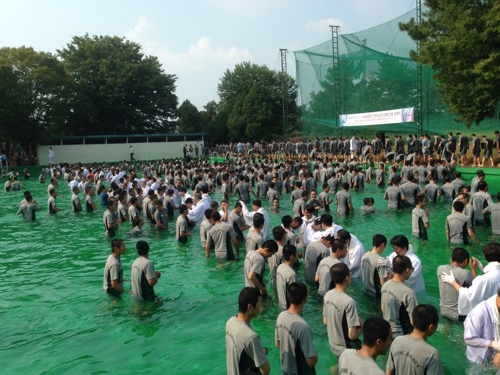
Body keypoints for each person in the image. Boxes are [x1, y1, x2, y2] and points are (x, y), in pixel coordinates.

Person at [440, 243, 500, 317]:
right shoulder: (488, 277)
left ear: (484, 256)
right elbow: (484, 281)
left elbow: (467, 294)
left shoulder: (440, 268)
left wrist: (452, 281)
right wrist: (477, 269)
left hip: (489, 314)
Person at [386, 304, 444, 375]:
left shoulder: (396, 341)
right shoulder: (432, 354)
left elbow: (389, 372)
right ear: (431, 327)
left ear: (412, 321)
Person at [275, 282, 318, 374]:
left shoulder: (280, 316)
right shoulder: (303, 327)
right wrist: (315, 356)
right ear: (305, 299)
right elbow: (311, 362)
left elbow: (278, 344)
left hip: (285, 370)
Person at [225, 287, 270, 375]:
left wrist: (260, 352)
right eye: (259, 304)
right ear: (250, 307)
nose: (261, 307)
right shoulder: (251, 337)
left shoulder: (229, 323)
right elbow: (266, 371)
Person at [323, 263, 363, 358]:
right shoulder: (349, 302)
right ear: (346, 278)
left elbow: (325, 321)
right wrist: (361, 327)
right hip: (346, 348)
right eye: (350, 274)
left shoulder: (327, 295)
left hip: (333, 344)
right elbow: (352, 335)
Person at [381, 255, 418, 337]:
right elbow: (414, 322)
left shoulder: (385, 285)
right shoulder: (409, 293)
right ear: (407, 270)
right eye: (412, 269)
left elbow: (383, 308)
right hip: (403, 335)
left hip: (387, 333)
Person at [437, 247, 476, 321]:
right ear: (466, 261)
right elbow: (476, 288)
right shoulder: (466, 273)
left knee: (447, 328)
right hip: (458, 315)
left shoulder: (440, 269)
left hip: (443, 311)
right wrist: (473, 269)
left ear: (451, 259)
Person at [464, 288, 500, 366]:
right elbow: (469, 339)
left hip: (494, 355)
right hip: (477, 359)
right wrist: (494, 344)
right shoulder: (479, 313)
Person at [361, 234, 388, 298]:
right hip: (376, 294)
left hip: (365, 290)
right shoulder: (381, 261)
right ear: (382, 245)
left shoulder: (364, 256)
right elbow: (383, 283)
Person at [276, 244, 298, 310]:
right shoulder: (291, 275)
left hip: (280, 304)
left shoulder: (280, 267)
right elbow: (294, 296)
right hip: (288, 308)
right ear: (292, 257)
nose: (298, 256)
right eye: (296, 254)